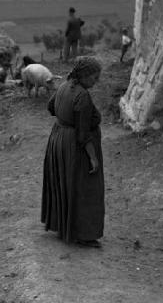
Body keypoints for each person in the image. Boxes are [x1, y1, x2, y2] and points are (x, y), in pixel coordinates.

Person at [41, 56, 104, 248]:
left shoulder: (64, 86)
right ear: (84, 75)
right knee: (84, 187)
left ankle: (62, 225)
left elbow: (50, 107)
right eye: (94, 77)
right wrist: (93, 158)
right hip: (73, 146)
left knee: (63, 182)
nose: (97, 81)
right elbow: (83, 135)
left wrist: (64, 119)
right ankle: (82, 234)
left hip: (58, 139)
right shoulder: (82, 96)